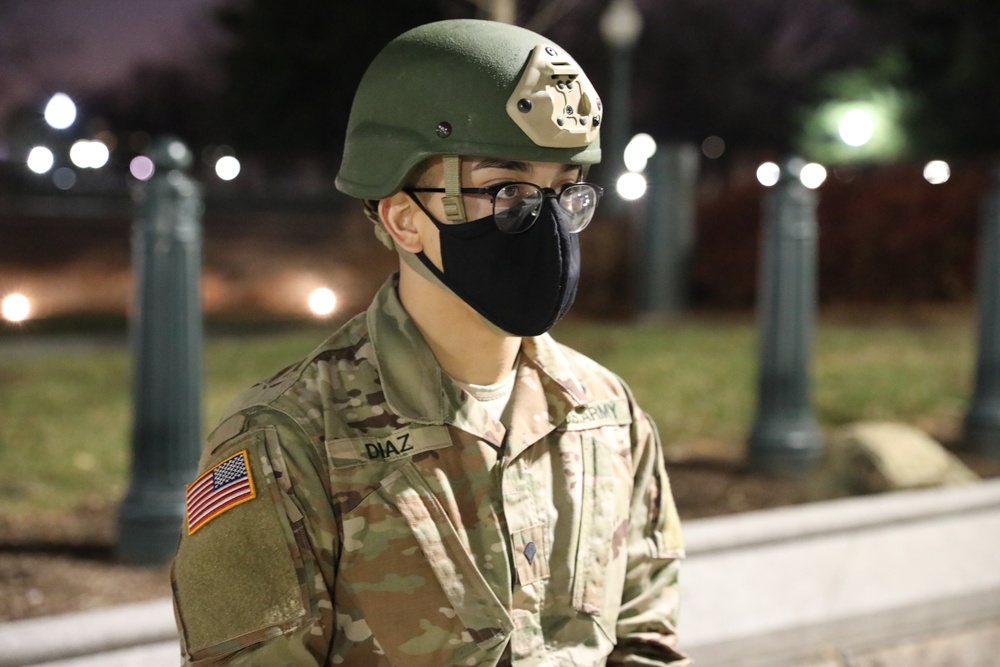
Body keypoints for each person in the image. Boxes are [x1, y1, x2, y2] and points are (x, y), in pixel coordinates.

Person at [171, 18, 688, 667]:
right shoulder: (287, 440)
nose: (548, 225)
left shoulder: (610, 416)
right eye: (507, 190)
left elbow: (646, 636)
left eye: (563, 191)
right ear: (405, 217)